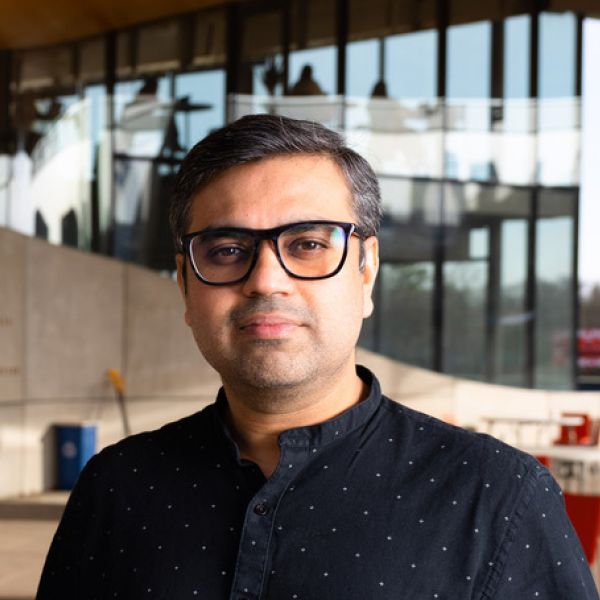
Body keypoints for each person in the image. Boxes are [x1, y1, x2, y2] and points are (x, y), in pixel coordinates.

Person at [37, 114, 598, 599]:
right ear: (186, 284)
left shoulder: (497, 496)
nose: (266, 280)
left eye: (307, 244)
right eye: (227, 250)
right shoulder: (118, 487)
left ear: (367, 269)